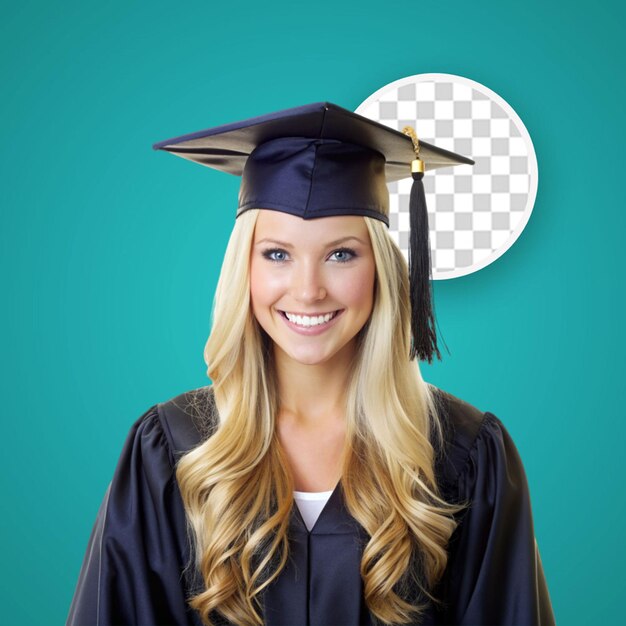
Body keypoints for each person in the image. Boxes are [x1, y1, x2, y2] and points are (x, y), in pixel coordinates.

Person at [67, 102, 555, 626]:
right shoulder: (174, 451)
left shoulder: (462, 455)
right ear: (244, 269)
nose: (307, 290)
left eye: (341, 254)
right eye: (277, 254)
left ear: (383, 271)